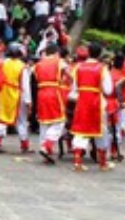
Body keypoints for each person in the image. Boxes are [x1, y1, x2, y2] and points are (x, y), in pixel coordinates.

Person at [69, 44, 114, 172]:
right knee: (101, 131)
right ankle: (103, 163)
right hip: (97, 102)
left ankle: (77, 162)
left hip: (82, 102)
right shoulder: (102, 68)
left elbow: (74, 88)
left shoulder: (78, 67)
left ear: (88, 52)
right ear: (99, 54)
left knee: (81, 130)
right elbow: (108, 90)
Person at [33, 43, 68, 163]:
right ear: (56, 52)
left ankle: (45, 148)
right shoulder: (59, 61)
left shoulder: (38, 64)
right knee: (59, 121)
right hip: (54, 92)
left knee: (44, 122)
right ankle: (47, 145)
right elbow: (68, 74)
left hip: (41, 93)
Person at [0, 43, 30, 153]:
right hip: (17, 93)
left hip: (2, 92)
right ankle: (24, 144)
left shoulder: (2, 63)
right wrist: (28, 101)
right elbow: (25, 85)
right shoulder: (22, 66)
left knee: (2, 117)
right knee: (21, 120)